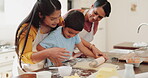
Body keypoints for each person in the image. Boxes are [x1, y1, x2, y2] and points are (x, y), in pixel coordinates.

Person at [13, 0, 70, 76]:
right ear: (40, 15)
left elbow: (71, 32)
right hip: (27, 71)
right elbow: (25, 57)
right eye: (52, 19)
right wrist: (48, 52)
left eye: (59, 16)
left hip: (44, 69)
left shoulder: (58, 21)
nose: (57, 21)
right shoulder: (28, 30)